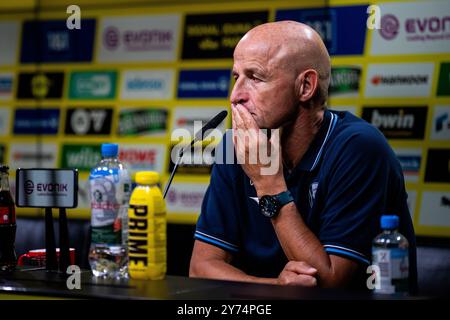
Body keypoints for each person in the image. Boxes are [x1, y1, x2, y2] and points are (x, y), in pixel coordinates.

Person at [189, 21, 417, 291]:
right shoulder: (234, 147)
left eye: (255, 77)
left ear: (306, 86)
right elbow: (201, 267)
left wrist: (269, 185)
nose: (235, 96)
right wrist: (274, 286)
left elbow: (330, 283)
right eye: (236, 77)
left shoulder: (359, 148)